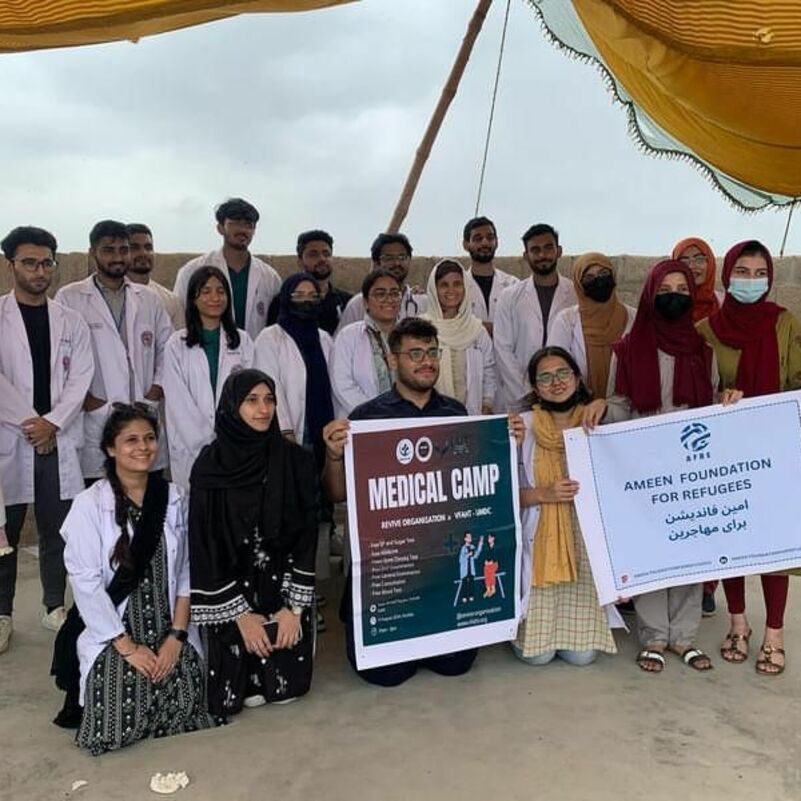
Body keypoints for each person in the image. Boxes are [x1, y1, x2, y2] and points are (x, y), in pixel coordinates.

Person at [583, 260, 741, 673]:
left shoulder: (702, 351)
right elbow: (621, 403)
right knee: (651, 549)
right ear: (651, 295)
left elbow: (709, 406)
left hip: (690, 468)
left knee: (690, 545)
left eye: (682, 289)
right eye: (665, 289)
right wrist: (602, 406)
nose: (675, 295)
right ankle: (654, 635)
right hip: (646, 468)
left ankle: (684, 636)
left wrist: (728, 400)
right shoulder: (627, 349)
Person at [322, 317, 480, 687]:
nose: (427, 362)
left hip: (440, 558)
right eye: (415, 354)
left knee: (456, 665)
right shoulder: (366, 418)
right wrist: (333, 456)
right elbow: (337, 494)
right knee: (386, 674)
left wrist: (505, 442)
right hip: (389, 564)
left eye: (432, 353)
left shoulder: (456, 413)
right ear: (393, 360)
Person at [62, 404, 214, 755]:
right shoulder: (88, 505)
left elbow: (186, 570)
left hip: (167, 628)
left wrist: (177, 636)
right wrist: (128, 648)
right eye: (131, 440)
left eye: (149, 438)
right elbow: (85, 584)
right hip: (115, 633)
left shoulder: (172, 497)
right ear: (110, 448)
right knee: (113, 724)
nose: (143, 447)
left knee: (189, 701)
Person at [697, 239, 801, 675]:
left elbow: (797, 382)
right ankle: (738, 623)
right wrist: (722, 397)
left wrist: (770, 407)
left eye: (760, 274)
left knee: (773, 544)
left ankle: (774, 633)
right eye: (742, 272)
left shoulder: (784, 323)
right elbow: (698, 391)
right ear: (727, 276)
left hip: (775, 450)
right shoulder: (706, 330)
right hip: (726, 454)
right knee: (732, 538)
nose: (751, 281)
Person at [189, 370, 318, 717]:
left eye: (269, 400)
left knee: (286, 687)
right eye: (251, 401)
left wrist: (293, 611)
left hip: (282, 592)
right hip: (232, 593)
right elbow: (205, 546)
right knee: (234, 694)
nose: (263, 409)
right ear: (232, 407)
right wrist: (242, 617)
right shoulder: (210, 466)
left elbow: (306, 538)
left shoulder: (295, 460)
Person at [0, 226, 94, 648]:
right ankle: (2, 614)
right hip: (9, 439)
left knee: (57, 530)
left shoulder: (71, 321)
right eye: (29, 263)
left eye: (46, 263)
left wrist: (53, 423)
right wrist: (33, 423)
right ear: (11, 265)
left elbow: (81, 377)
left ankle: (54, 605)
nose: (39, 272)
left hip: (56, 440)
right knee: (5, 532)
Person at [514, 346, 617, 667]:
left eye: (563, 373)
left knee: (582, 657)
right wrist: (544, 494)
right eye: (545, 377)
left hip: (584, 542)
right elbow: (501, 496)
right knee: (538, 657)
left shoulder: (596, 419)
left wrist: (605, 404)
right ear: (535, 388)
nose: (556, 382)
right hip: (541, 540)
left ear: (577, 378)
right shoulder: (522, 427)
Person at [55, 220, 173, 481]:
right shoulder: (70, 298)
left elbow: (168, 349)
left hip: (144, 410)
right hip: (96, 417)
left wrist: (155, 391)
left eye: (124, 250)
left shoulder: (148, 298)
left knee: (148, 495)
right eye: (108, 250)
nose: (118, 257)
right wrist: (89, 401)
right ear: (92, 252)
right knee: (101, 496)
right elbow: (60, 359)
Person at [162, 265, 254, 490]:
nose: (215, 298)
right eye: (206, 291)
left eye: (221, 291)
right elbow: (177, 401)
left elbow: (250, 394)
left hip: (234, 444)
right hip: (190, 446)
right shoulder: (177, 344)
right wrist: (206, 443)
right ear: (193, 299)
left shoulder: (242, 341)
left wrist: (230, 439)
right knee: (195, 503)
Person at [494, 223, 577, 412]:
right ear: (526, 256)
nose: (542, 255)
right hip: (522, 398)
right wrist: (527, 391)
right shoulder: (509, 297)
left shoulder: (575, 294)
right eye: (535, 250)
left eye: (548, 248)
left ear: (559, 251)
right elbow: (502, 349)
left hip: (566, 392)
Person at [173, 198, 280, 341]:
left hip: (255, 351)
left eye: (249, 225)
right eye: (235, 223)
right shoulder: (192, 270)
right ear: (220, 228)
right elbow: (180, 317)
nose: (242, 230)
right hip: (203, 349)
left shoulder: (270, 277)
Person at [255, 274, 334, 453]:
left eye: (312, 296)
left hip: (322, 431)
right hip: (286, 433)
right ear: (285, 298)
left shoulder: (324, 339)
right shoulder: (270, 337)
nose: (306, 301)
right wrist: (285, 430)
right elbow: (270, 385)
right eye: (298, 296)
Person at [546, 252, 635, 399]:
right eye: (589, 278)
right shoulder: (566, 321)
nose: (598, 280)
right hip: (580, 407)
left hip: (627, 406)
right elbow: (555, 366)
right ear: (579, 285)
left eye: (603, 273)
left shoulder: (633, 317)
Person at [421, 259, 496, 414]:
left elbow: (489, 371)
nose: (451, 290)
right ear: (434, 289)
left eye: (457, 284)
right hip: (431, 416)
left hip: (472, 416)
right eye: (444, 285)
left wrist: (487, 403)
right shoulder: (421, 328)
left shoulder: (477, 330)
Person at [331, 269, 402, 417]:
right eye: (380, 294)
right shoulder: (348, 336)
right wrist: (376, 414)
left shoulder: (409, 336)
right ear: (365, 302)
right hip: (360, 421)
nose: (389, 299)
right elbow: (342, 384)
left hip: (405, 420)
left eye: (395, 293)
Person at [267, 230, 352, 335]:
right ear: (300, 261)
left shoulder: (346, 303)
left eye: (326, 254)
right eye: (313, 254)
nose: (322, 259)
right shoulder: (282, 302)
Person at [336, 233, 427, 330]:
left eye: (402, 257)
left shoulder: (423, 303)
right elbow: (344, 336)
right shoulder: (358, 304)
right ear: (376, 264)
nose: (397, 263)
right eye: (389, 258)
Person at [462, 216, 518, 333]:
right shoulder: (458, 286)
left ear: (496, 242)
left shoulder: (513, 285)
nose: (485, 242)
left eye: (490, 238)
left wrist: (492, 329)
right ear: (466, 244)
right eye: (478, 239)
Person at [125, 223, 184, 330]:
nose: (143, 253)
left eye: (148, 247)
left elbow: (179, 338)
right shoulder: (113, 296)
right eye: (135, 248)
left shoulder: (171, 301)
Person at [672, 237, 723, 323]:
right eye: (684, 261)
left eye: (699, 259)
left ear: (710, 263)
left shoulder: (724, 303)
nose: (692, 266)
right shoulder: (665, 303)